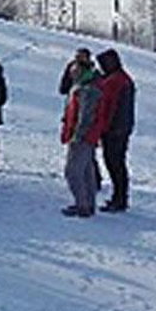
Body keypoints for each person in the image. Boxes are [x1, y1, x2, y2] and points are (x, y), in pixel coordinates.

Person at [60, 63, 106, 217]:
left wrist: (77, 135)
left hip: (83, 136)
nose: (72, 75)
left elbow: (85, 116)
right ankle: (88, 204)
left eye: (75, 72)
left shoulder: (88, 90)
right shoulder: (86, 87)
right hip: (89, 136)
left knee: (73, 171)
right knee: (87, 171)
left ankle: (82, 205)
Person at [96, 48, 136, 212]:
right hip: (122, 128)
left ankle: (119, 198)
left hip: (114, 129)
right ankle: (120, 197)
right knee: (117, 163)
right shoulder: (123, 78)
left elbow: (108, 106)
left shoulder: (115, 81)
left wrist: (103, 127)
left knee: (115, 163)